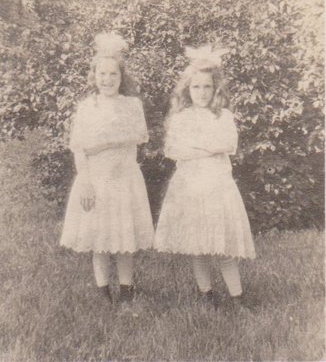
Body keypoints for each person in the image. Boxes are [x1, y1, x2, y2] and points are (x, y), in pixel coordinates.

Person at [154, 44, 256, 308]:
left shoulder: (223, 116)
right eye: (196, 87)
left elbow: (227, 145)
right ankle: (206, 294)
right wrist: (206, 147)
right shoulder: (181, 118)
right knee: (197, 245)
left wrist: (198, 147)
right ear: (188, 90)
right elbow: (173, 149)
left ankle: (237, 297)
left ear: (216, 89)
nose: (201, 92)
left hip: (217, 185)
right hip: (189, 186)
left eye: (207, 87)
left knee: (223, 246)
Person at [60, 32, 154, 304]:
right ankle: (103, 292)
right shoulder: (87, 107)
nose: (108, 79)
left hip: (124, 176)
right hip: (95, 178)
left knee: (124, 237)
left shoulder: (131, 105)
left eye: (113, 74)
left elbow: (137, 137)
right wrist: (86, 180)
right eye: (102, 74)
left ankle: (126, 291)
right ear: (94, 76)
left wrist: (103, 144)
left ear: (122, 77)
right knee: (98, 237)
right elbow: (79, 147)